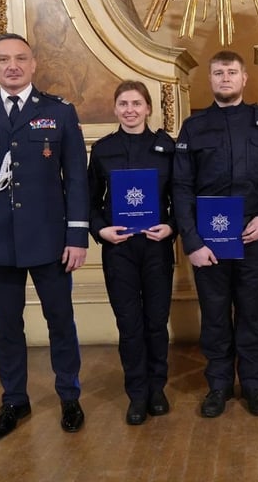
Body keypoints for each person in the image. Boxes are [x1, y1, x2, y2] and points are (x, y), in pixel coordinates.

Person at [0, 33, 89, 440]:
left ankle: (69, 395)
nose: (12, 65)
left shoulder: (59, 112)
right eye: (3, 59)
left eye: (20, 58)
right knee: (6, 327)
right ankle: (14, 400)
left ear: (33, 64)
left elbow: (76, 181)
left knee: (60, 321)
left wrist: (77, 236)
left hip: (50, 240)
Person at [172, 50, 258, 418]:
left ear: (245, 79)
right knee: (215, 315)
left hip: (252, 238)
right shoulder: (194, 127)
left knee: (252, 315)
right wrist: (192, 242)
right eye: (218, 73)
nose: (225, 79)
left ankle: (253, 385)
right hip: (209, 244)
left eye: (231, 72)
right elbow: (181, 188)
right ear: (210, 78)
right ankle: (218, 386)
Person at [87, 80, 175, 425]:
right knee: (129, 325)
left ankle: (157, 390)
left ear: (148, 108)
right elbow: (91, 202)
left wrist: (172, 227)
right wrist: (100, 230)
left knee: (155, 322)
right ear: (115, 109)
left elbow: (178, 196)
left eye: (137, 103)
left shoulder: (166, 147)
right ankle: (136, 394)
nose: (130, 110)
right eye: (123, 103)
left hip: (156, 247)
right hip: (119, 249)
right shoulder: (104, 149)